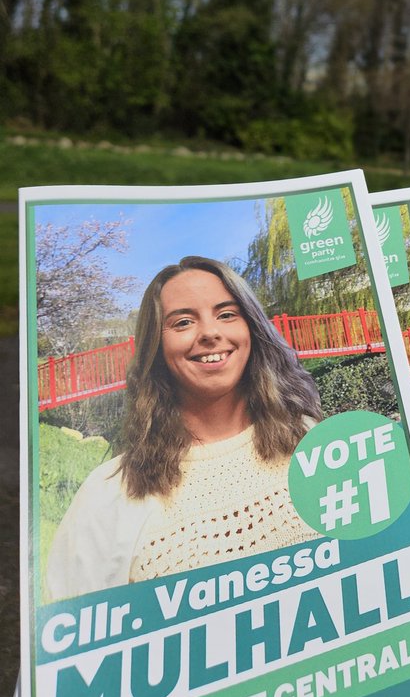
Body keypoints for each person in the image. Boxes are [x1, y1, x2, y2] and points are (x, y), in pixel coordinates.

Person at [46, 256, 322, 600]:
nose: (209, 333)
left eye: (226, 314)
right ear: (156, 348)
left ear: (252, 328)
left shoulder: (313, 440)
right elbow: (74, 631)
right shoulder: (108, 494)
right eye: (183, 322)